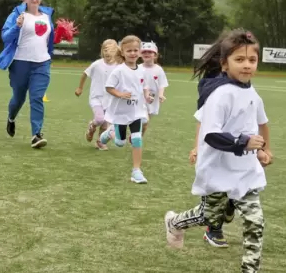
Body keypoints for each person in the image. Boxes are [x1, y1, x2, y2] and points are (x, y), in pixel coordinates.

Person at [163, 29, 270, 273]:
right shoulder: (219, 95)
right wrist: (243, 142)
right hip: (218, 169)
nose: (247, 66)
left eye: (252, 60)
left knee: (255, 222)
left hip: (246, 171)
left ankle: (250, 269)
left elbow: (263, 122)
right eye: (239, 60)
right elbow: (210, 135)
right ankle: (175, 222)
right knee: (209, 217)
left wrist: (264, 149)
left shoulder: (252, 93)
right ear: (224, 64)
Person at [0, 0, 75, 149]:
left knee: (37, 97)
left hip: (42, 63)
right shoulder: (17, 15)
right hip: (20, 63)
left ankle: (36, 135)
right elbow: (5, 37)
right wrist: (17, 26)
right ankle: (11, 118)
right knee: (18, 98)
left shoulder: (46, 16)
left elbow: (47, 40)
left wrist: (60, 35)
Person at [99, 35, 150, 184]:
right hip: (121, 113)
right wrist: (120, 94)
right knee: (120, 143)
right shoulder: (119, 71)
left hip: (136, 111)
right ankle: (110, 132)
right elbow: (109, 87)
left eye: (135, 50)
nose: (133, 53)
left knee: (137, 138)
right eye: (129, 51)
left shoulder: (142, 70)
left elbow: (144, 86)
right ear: (122, 52)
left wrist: (147, 96)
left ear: (139, 52)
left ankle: (136, 171)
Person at [75, 39, 121, 150]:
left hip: (111, 99)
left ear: (116, 51)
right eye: (105, 49)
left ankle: (100, 142)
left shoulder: (119, 66)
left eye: (111, 50)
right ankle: (92, 125)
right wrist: (80, 88)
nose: (107, 52)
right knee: (100, 119)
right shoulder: (97, 64)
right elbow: (84, 74)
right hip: (96, 98)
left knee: (106, 125)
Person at [139, 41, 168, 137]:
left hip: (152, 99)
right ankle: (136, 136)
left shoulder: (158, 69)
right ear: (140, 54)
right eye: (144, 52)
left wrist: (160, 95)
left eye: (150, 52)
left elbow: (162, 84)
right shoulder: (137, 68)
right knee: (141, 119)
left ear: (155, 55)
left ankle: (139, 136)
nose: (147, 54)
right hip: (139, 98)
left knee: (145, 122)